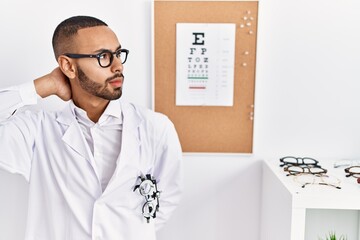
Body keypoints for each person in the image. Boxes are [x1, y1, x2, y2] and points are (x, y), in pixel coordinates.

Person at [0, 16, 183, 240]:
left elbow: (166, 199)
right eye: (103, 56)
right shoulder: (38, 131)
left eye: (118, 53)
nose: (118, 66)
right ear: (68, 66)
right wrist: (45, 85)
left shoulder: (155, 127)